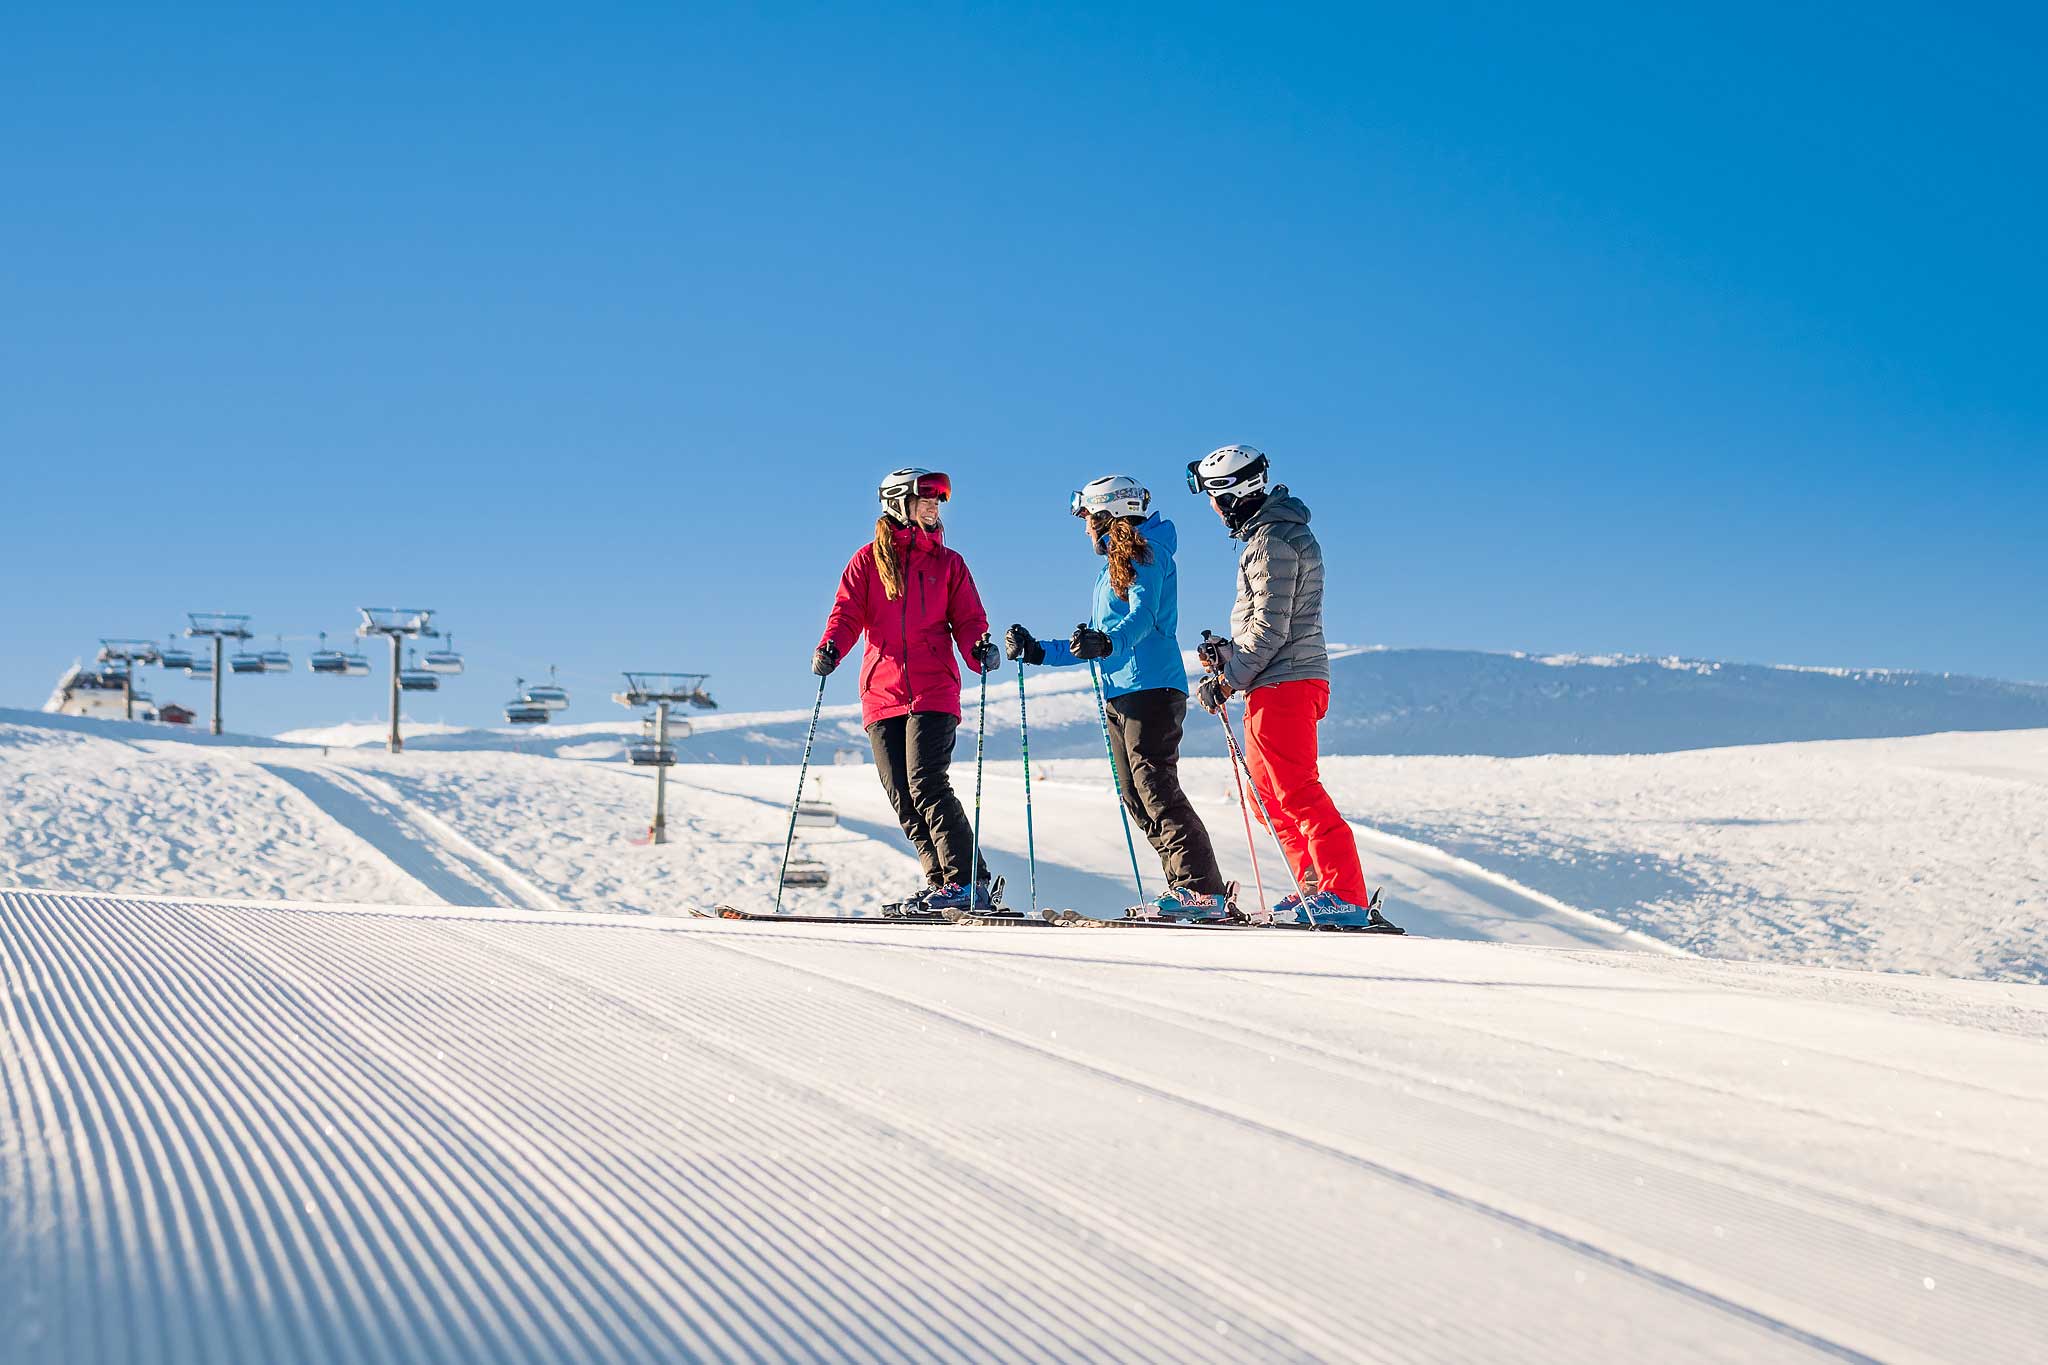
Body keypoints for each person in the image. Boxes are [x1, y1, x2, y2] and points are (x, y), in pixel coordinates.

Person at [1004, 475, 1236, 919]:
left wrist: (1109, 643)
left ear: (1108, 514)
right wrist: (1038, 651)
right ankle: (1185, 890)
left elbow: (1142, 617)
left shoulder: (1147, 553)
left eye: (1087, 517)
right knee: (1134, 794)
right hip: (1121, 692)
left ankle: (1202, 889)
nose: (1085, 528)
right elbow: (1094, 640)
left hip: (1152, 687)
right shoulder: (1112, 565)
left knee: (1155, 785)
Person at [1185, 444, 1394, 929]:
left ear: (1230, 494)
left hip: (1287, 681)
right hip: (1275, 679)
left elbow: (1271, 628)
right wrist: (1228, 655)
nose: (1212, 509)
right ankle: (1314, 888)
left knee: (1296, 791)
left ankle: (1344, 894)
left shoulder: (1274, 541)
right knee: (1266, 798)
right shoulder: (1270, 536)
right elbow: (1272, 624)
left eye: (1212, 497)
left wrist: (1229, 679)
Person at [814, 467, 1003, 913]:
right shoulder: (867, 561)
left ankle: (967, 881)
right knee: (902, 793)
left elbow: (969, 619)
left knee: (927, 782)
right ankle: (943, 884)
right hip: (882, 693)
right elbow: (846, 613)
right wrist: (831, 647)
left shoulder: (949, 564)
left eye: (937, 501)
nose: (934, 507)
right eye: (925, 499)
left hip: (934, 688)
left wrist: (978, 649)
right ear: (899, 504)